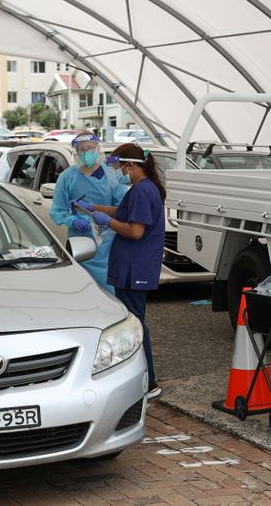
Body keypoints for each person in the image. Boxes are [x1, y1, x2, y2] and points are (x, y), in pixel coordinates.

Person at [76, 144, 166, 398]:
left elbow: (135, 231)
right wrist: (94, 208)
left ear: (130, 165)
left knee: (136, 324)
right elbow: (123, 212)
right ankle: (145, 380)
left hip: (135, 266)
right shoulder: (144, 189)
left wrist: (109, 223)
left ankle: (148, 383)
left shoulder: (142, 191)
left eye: (118, 166)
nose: (117, 171)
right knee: (135, 321)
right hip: (135, 265)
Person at [50, 130, 127, 293]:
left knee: (109, 289)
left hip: (108, 241)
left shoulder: (110, 175)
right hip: (80, 241)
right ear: (76, 153)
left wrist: (106, 219)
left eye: (90, 148)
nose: (87, 153)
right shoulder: (68, 177)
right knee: (83, 288)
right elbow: (57, 210)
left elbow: (122, 208)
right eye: (82, 150)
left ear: (98, 149)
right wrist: (72, 220)